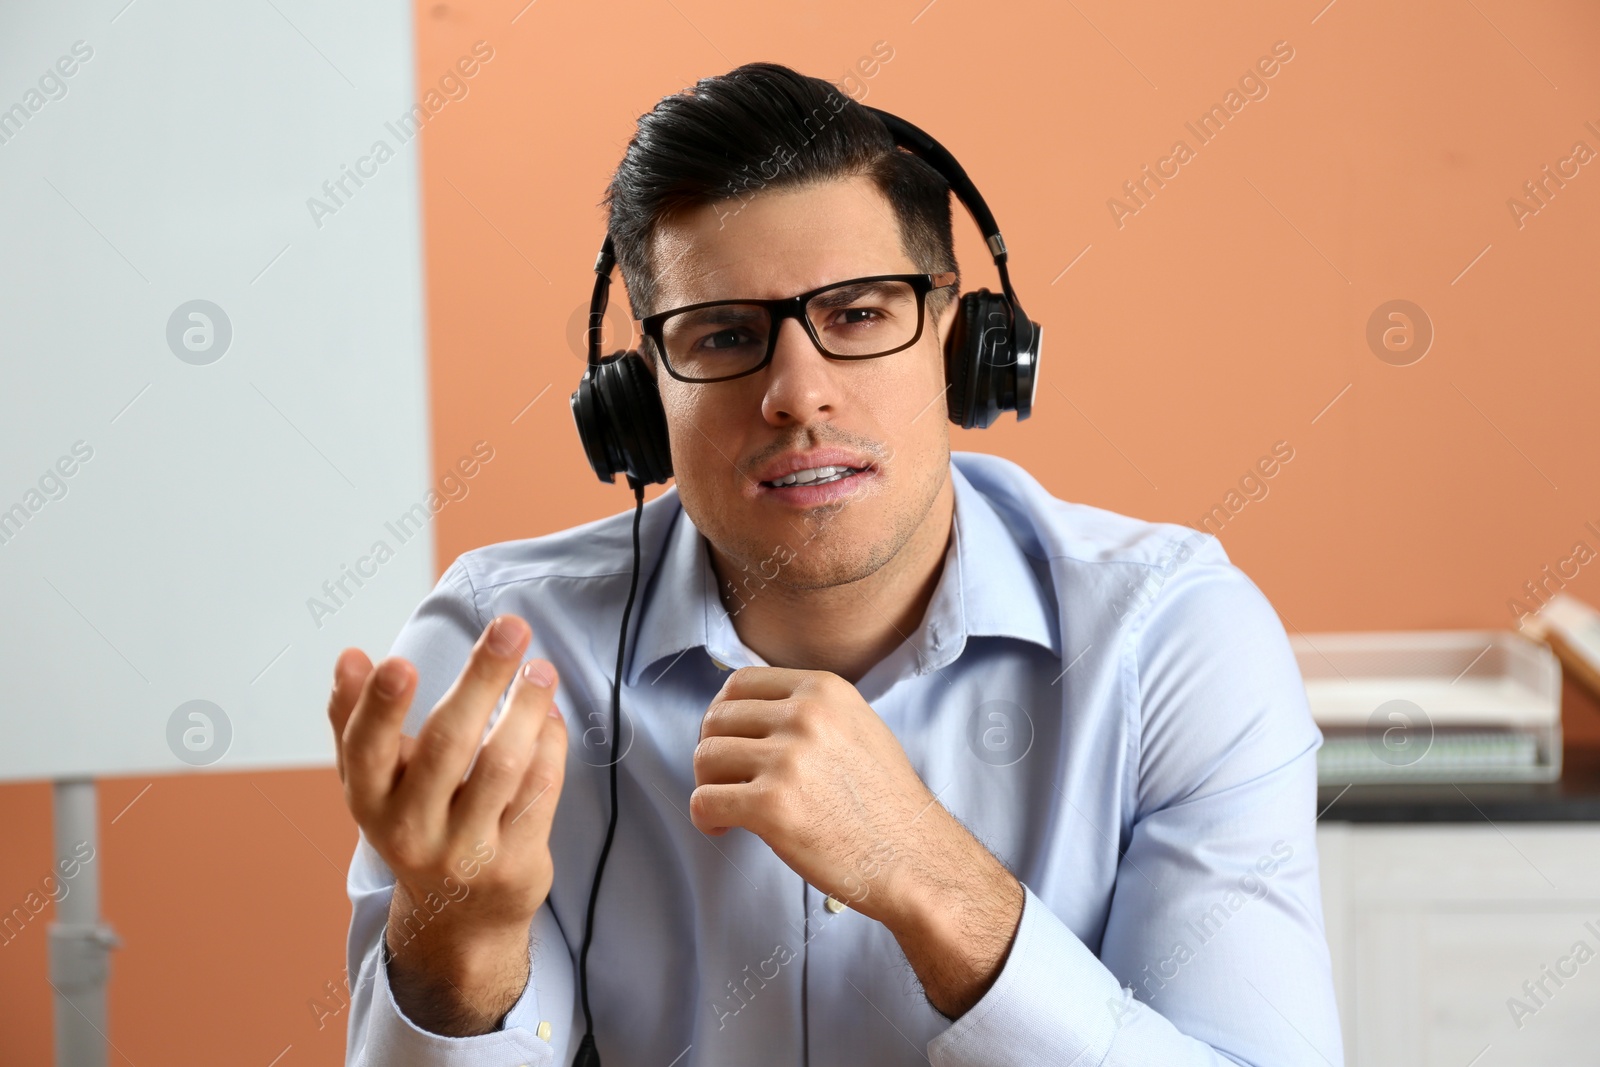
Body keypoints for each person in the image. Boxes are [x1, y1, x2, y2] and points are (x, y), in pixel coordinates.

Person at [326, 61, 1342, 1066]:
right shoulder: (503, 657)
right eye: (723, 335)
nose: (797, 393)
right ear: (640, 396)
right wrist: (462, 940)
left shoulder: (1170, 637)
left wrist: (928, 875)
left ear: (955, 337)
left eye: (857, 313)